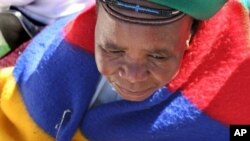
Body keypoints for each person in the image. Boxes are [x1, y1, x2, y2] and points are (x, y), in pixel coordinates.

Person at [0, 0, 250, 141]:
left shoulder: (237, 92)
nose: (132, 75)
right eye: (113, 51)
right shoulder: (50, 63)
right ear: (96, 20)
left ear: (190, 37)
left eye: (157, 56)